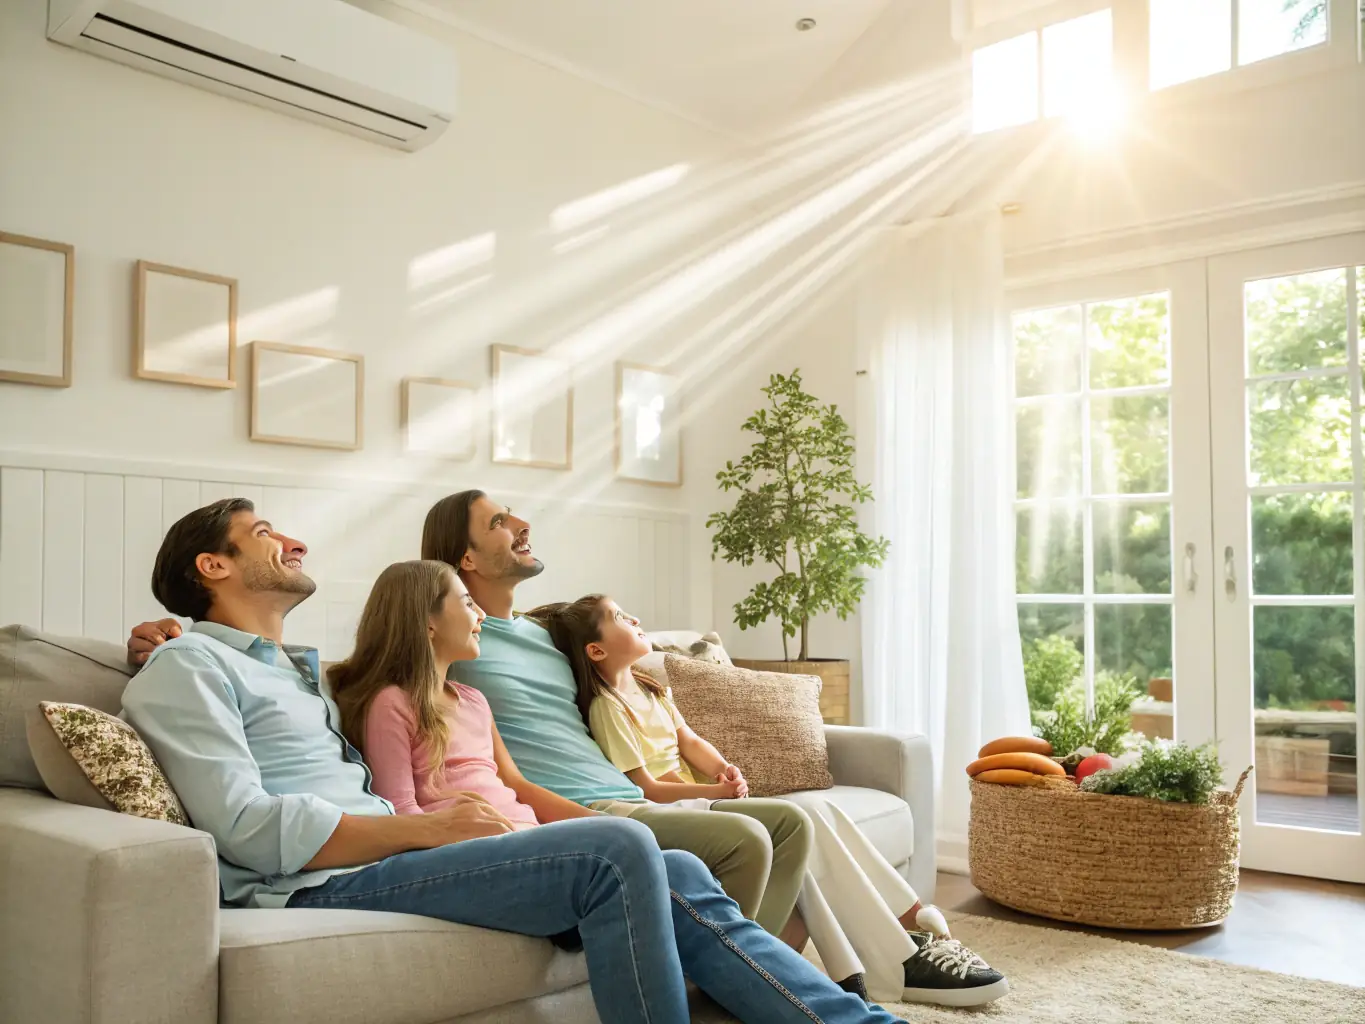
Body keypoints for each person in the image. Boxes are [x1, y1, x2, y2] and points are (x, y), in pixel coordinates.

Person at [120, 500, 905, 1024]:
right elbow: (247, 829)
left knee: (680, 869)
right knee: (621, 845)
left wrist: (425, 830)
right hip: (312, 886)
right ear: (211, 568)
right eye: (262, 533)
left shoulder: (290, 671)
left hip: (382, 856)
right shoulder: (189, 668)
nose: (291, 540)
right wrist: (421, 831)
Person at [530, 592, 1010, 1009]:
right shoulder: (607, 707)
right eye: (619, 617)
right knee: (803, 818)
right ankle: (901, 954)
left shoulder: (653, 688)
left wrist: (722, 767)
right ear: (595, 649)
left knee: (820, 811)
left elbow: (691, 740)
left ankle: (907, 930)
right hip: (679, 805)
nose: (633, 619)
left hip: (703, 795)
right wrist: (712, 790)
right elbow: (647, 789)